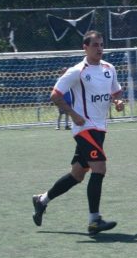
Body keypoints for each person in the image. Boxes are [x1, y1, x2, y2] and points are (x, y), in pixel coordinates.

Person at [32, 30, 125, 235]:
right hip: (85, 128)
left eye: (101, 45)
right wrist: (73, 115)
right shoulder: (77, 71)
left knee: (77, 174)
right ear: (85, 47)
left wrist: (118, 101)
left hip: (100, 128)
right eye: (95, 45)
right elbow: (55, 95)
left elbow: (115, 91)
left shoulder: (109, 68)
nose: (100, 48)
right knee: (99, 168)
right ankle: (94, 221)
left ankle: (42, 200)